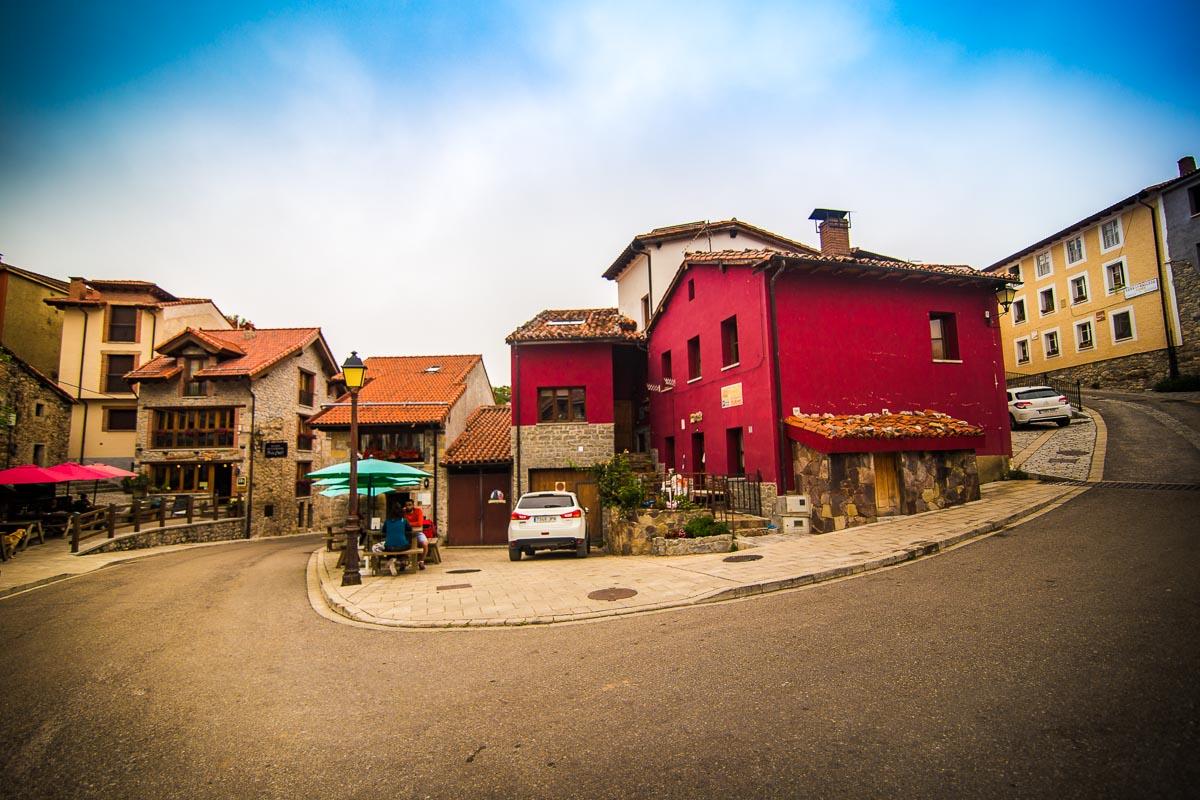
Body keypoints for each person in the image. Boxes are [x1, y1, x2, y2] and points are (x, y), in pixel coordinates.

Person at [372, 507, 414, 575]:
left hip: (389, 547)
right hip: (402, 546)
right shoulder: (403, 520)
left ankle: (391, 559)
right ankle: (402, 560)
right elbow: (410, 529)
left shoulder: (387, 521)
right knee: (406, 545)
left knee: (387, 547)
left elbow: (383, 531)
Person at [402, 499, 430, 567]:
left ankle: (421, 561)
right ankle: (405, 562)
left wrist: (408, 524)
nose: (408, 507)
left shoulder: (418, 511)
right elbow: (401, 523)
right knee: (402, 544)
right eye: (407, 505)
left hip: (418, 532)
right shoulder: (403, 512)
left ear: (413, 505)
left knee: (425, 544)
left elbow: (420, 523)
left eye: (410, 505)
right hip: (406, 533)